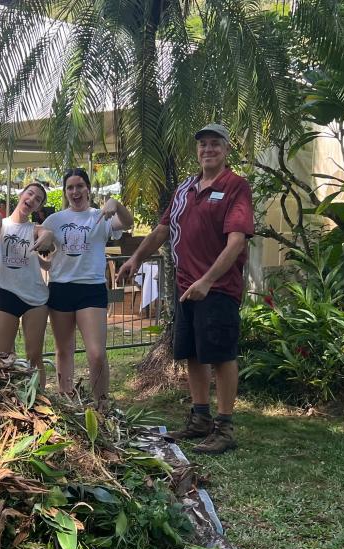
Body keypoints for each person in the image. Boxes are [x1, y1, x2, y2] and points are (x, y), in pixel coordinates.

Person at [117, 123, 253, 454]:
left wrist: (207, 281)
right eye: (203, 144)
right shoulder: (185, 190)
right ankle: (201, 419)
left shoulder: (235, 186)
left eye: (215, 144)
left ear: (226, 150)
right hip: (185, 287)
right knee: (192, 353)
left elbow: (236, 242)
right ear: (197, 150)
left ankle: (224, 427)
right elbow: (162, 231)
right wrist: (135, 259)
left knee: (221, 356)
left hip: (218, 287)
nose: (208, 149)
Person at [43, 168, 133, 407]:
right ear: (64, 192)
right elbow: (38, 239)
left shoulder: (100, 215)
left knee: (96, 352)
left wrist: (117, 204)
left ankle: (101, 402)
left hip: (91, 289)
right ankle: (67, 400)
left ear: (88, 189)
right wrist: (43, 252)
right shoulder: (55, 220)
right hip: (60, 288)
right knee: (64, 351)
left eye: (80, 186)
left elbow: (127, 221)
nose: (75, 191)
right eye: (70, 187)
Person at [0, 183, 52, 380]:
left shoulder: (35, 229)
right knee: (1, 358)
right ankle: (3, 404)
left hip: (36, 298)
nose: (32, 199)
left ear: (38, 207)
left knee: (34, 356)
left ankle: (40, 402)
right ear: (21, 195)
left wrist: (47, 234)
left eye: (38, 199)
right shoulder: (0, 224)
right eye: (30, 194)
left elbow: (45, 235)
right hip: (7, 293)